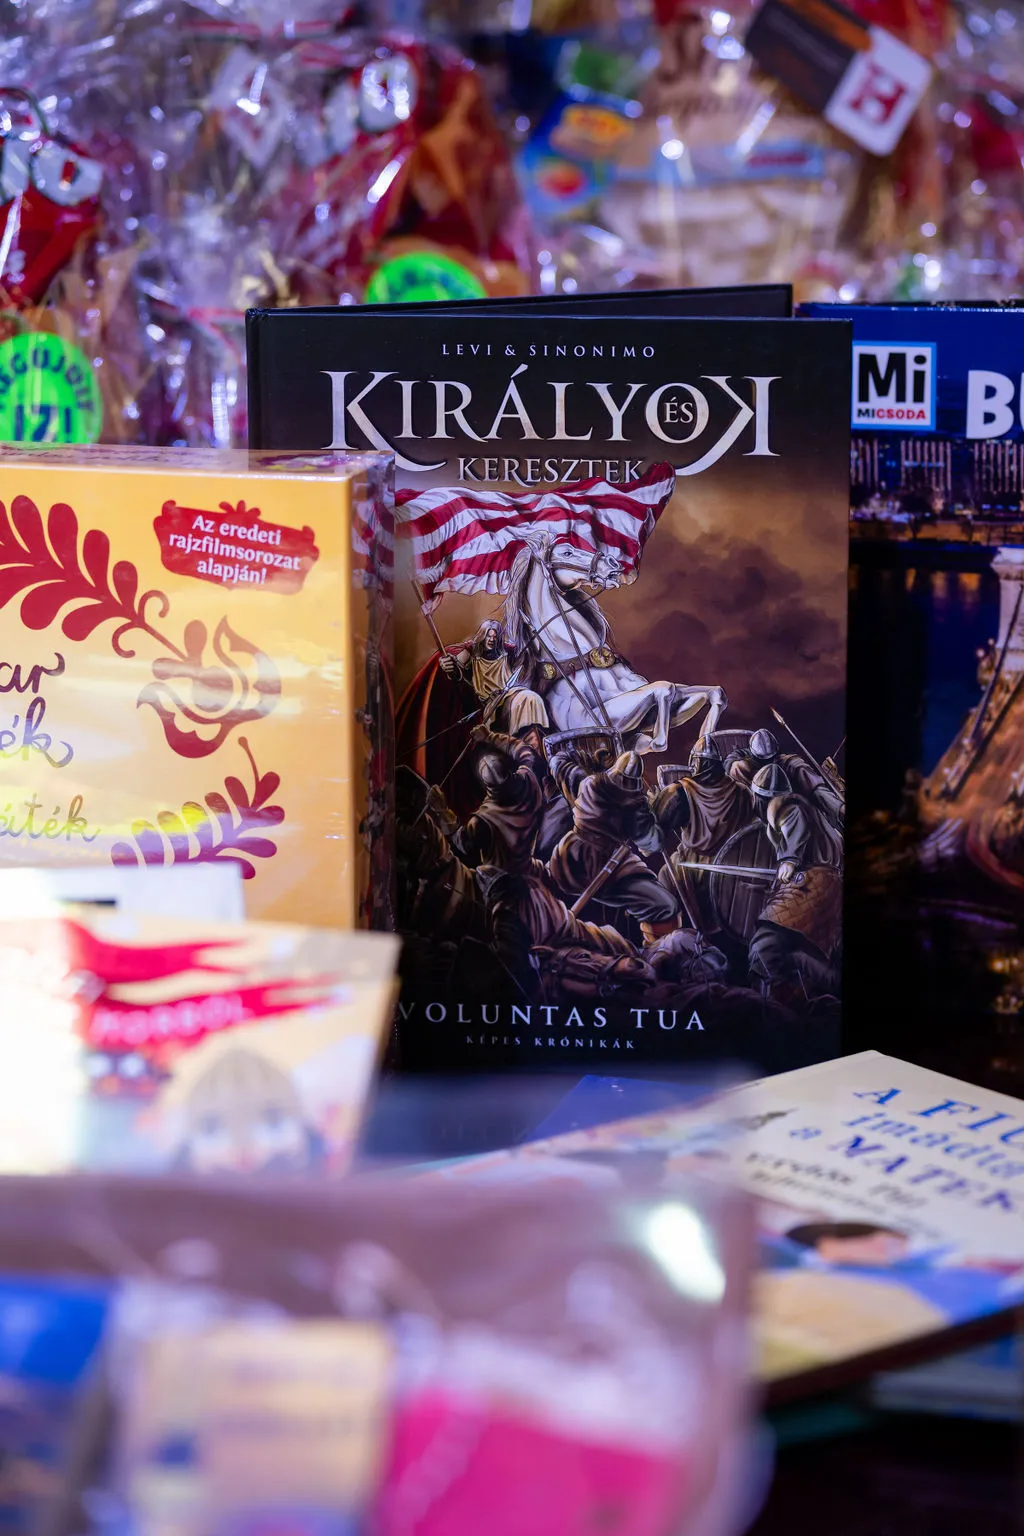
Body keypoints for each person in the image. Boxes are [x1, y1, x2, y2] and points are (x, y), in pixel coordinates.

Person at [549, 750, 679, 943]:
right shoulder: (633, 805)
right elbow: (652, 844)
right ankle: (661, 952)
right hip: (603, 864)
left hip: (566, 857)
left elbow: (557, 761)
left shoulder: (588, 782)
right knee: (665, 906)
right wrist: (654, 812)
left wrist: (591, 761)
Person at [746, 762, 842, 1000]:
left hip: (813, 882)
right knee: (794, 952)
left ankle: (776, 1007)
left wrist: (789, 859)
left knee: (764, 947)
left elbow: (796, 829)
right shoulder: (796, 807)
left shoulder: (788, 807)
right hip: (822, 883)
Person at [438, 618, 549, 740]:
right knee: (527, 698)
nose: (491, 640)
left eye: (495, 637)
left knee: (532, 698)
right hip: (492, 705)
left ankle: (535, 738)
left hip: (511, 694)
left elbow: (525, 654)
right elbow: (456, 670)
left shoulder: (507, 652)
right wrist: (449, 665)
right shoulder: (471, 652)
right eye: (488, 636)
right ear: (482, 636)